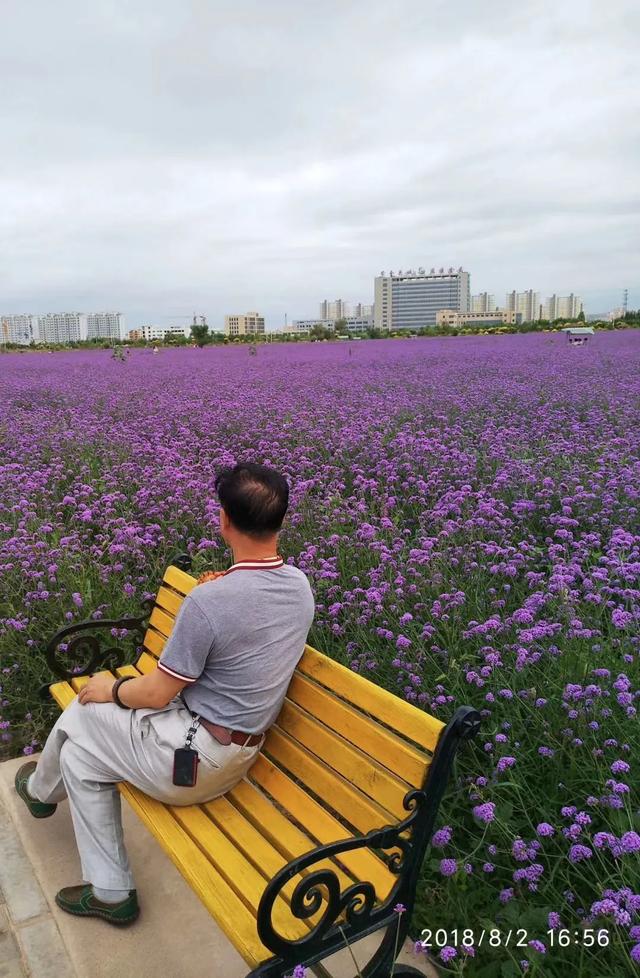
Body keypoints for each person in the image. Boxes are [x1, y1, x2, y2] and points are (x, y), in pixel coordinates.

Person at [15, 463, 315, 926]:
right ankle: (111, 892)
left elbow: (155, 694)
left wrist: (110, 688)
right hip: (236, 756)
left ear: (224, 520)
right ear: (281, 520)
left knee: (85, 707)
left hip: (191, 760)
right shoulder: (300, 586)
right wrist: (228, 581)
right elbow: (251, 621)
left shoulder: (209, 602)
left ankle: (38, 791)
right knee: (80, 760)